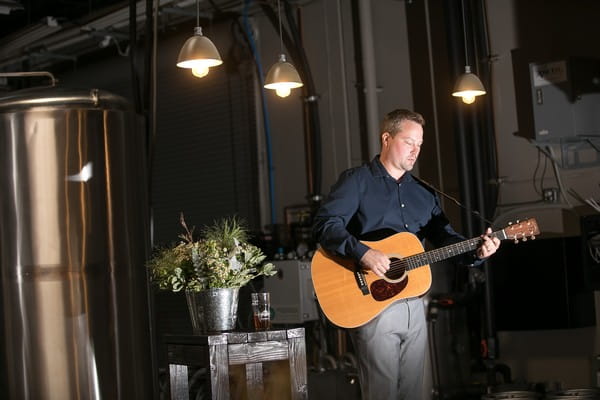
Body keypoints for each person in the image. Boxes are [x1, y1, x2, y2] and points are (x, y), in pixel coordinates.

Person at [312, 108, 500, 400]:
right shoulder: (357, 181)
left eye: (420, 145)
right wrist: (364, 253)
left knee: (416, 394)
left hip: (414, 302)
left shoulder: (424, 193)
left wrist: (478, 251)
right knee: (382, 393)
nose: (416, 151)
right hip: (370, 301)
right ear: (386, 138)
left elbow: (445, 238)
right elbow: (326, 225)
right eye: (409, 142)